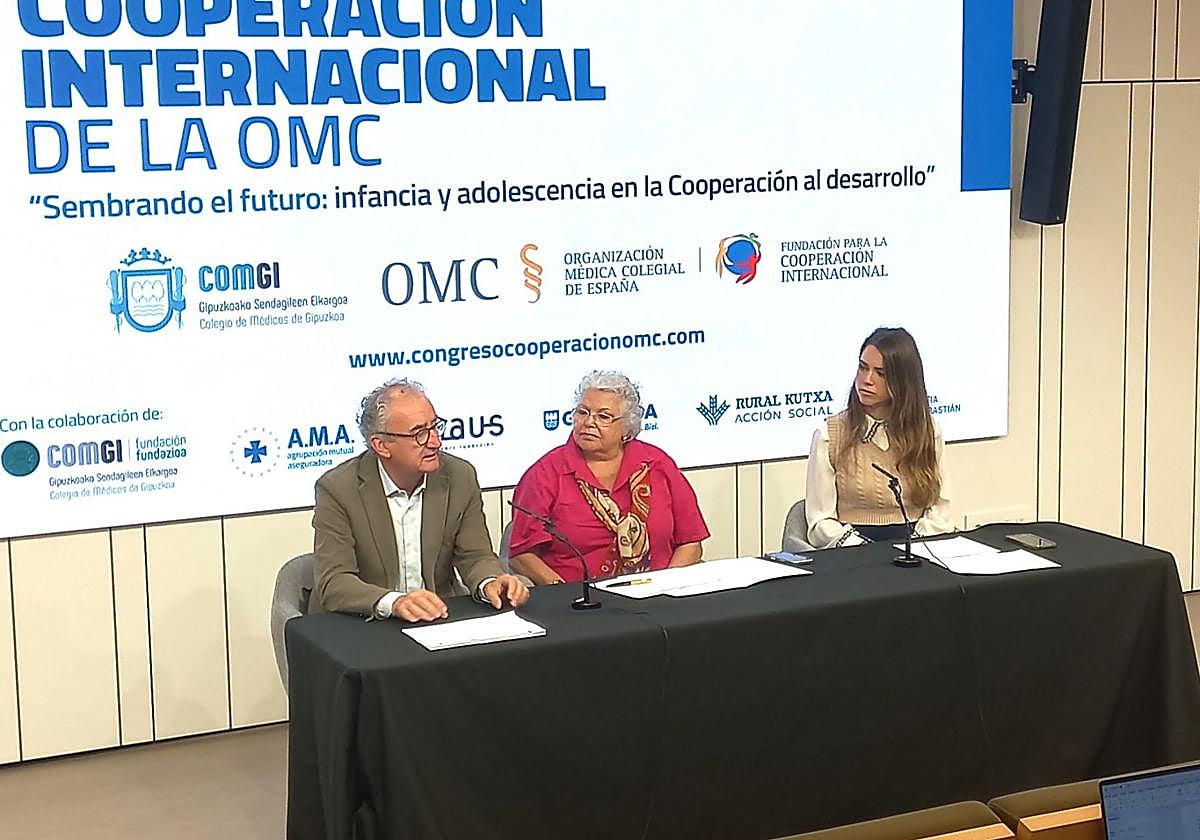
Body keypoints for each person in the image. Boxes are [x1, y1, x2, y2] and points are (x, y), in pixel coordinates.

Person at [311, 378, 529, 621]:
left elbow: (475, 556)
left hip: (437, 617)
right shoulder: (338, 489)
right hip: (364, 623)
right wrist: (395, 602)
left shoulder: (459, 476)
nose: (435, 442)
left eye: (435, 427)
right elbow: (335, 581)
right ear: (381, 445)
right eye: (419, 434)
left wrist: (490, 582)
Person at [509, 371, 710, 584]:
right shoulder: (545, 474)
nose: (588, 422)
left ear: (627, 427)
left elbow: (691, 542)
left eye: (603, 416)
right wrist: (562, 592)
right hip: (579, 597)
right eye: (582, 412)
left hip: (657, 593)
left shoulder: (657, 464)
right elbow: (521, 554)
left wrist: (666, 586)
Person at [805, 327, 953, 548]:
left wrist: (912, 547)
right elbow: (820, 522)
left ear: (903, 381)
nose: (867, 380)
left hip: (918, 548)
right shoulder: (830, 434)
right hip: (854, 551)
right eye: (863, 368)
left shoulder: (928, 431)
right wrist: (865, 549)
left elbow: (941, 511)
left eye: (881, 374)